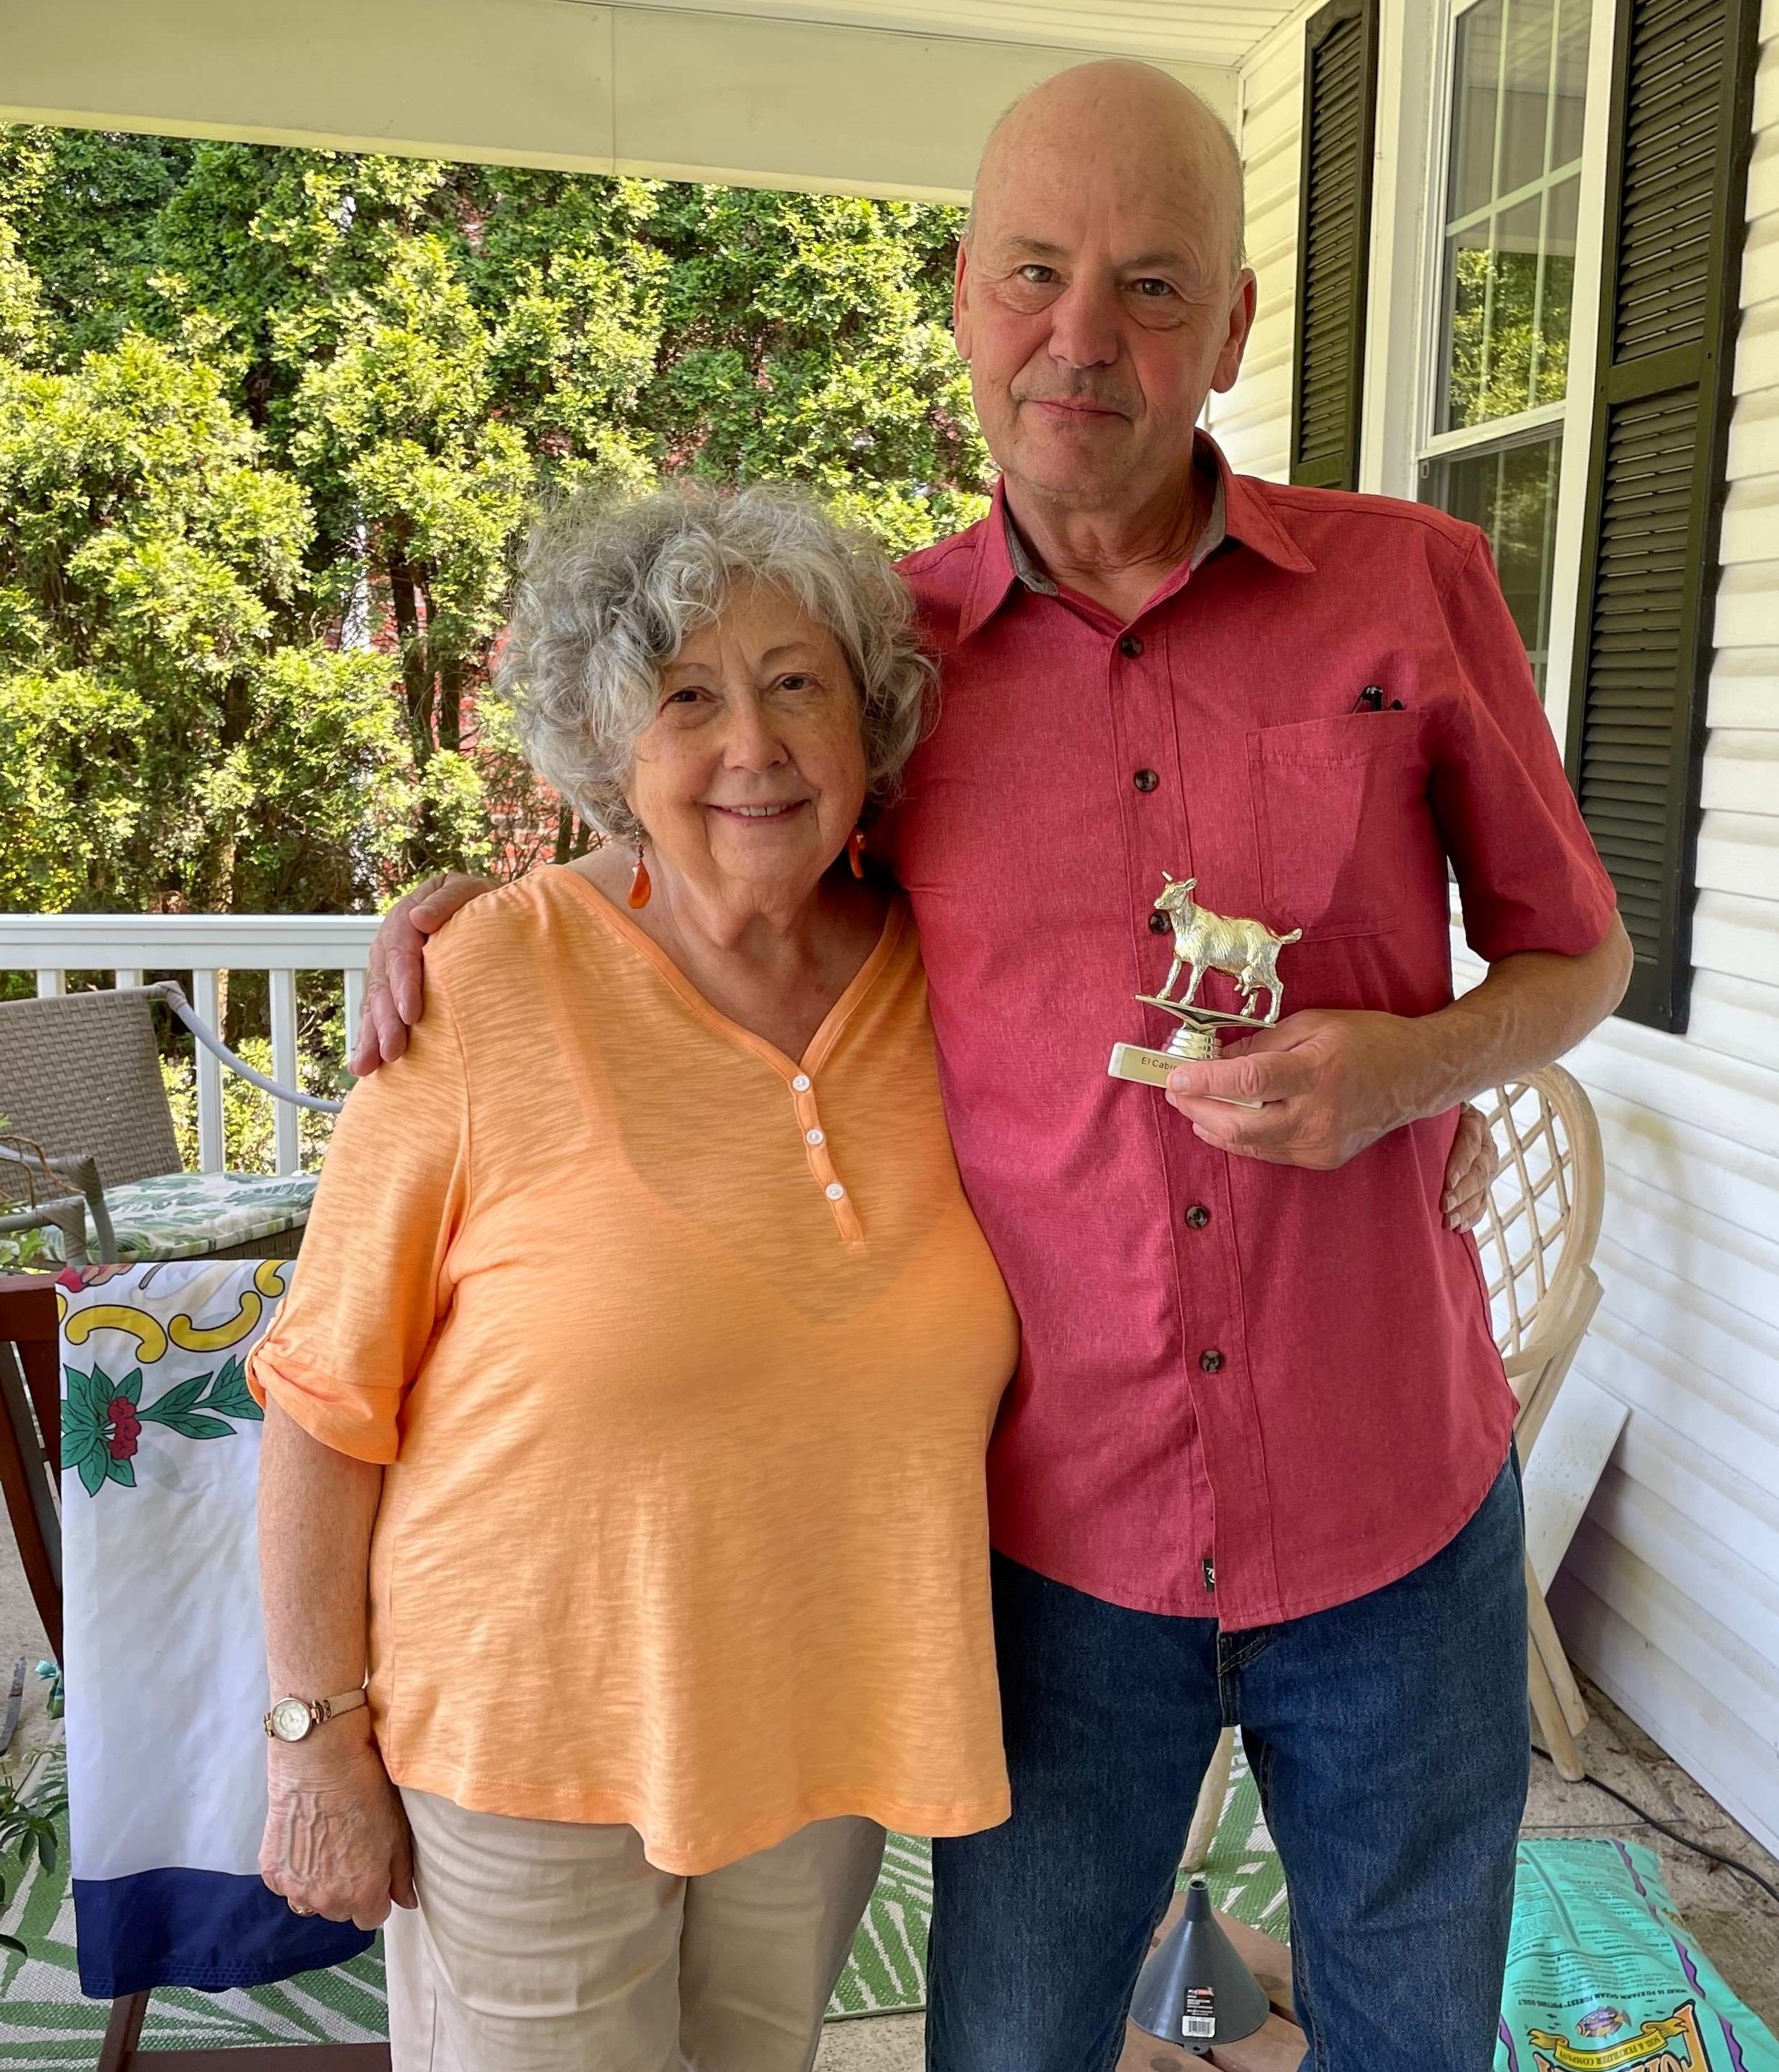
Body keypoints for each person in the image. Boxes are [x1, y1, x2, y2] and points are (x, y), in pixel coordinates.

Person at [355, 61, 1631, 2072]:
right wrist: (485, 902)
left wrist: (1413, 1066)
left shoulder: (1412, 589)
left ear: (1223, 326)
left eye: (1145, 287)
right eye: (1032, 274)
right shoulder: (892, 672)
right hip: (1055, 1540)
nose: (1080, 336)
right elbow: (729, 846)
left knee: (1414, 2030)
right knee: (1011, 2040)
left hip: (1395, 1500)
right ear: (960, 295)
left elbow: (1580, 957)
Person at [248, 486, 1023, 2072]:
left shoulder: (960, 984)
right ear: (611, 753)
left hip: (821, 1720)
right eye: (689, 697)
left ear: (870, 727)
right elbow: (327, 1398)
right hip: (532, 1740)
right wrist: (316, 1739)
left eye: (800, 683)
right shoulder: (481, 984)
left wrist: (1421, 1132)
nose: (755, 744)